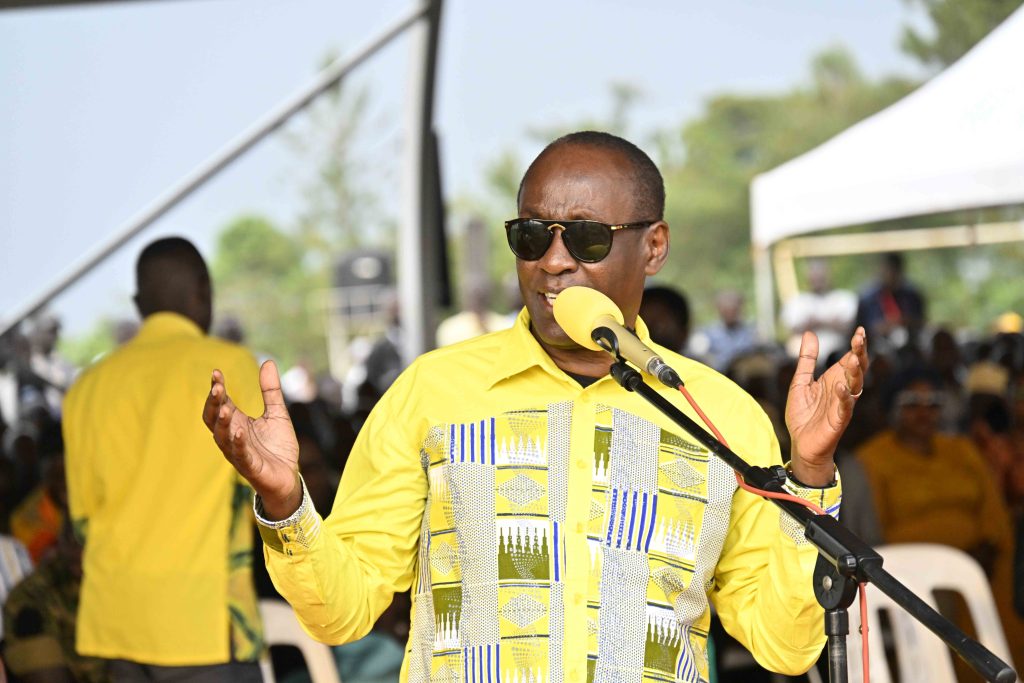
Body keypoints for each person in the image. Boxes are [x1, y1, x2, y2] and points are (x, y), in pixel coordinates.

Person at [204, 132, 867, 682]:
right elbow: (341, 612)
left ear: (654, 246)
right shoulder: (432, 392)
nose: (553, 262)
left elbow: (786, 644)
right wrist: (288, 504)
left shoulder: (720, 415)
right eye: (531, 235)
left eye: (586, 238)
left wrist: (809, 469)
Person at [63, 237, 265, 681]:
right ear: (203, 291)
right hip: (203, 624)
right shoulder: (230, 367)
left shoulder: (87, 386)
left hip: (117, 620)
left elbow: (81, 520)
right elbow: (268, 491)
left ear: (139, 303)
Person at [780, 258, 857, 364]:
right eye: (814, 274)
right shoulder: (796, 301)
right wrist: (830, 321)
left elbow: (850, 327)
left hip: (839, 357)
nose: (817, 278)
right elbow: (793, 329)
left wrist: (815, 322)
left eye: (821, 274)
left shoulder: (844, 298)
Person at [688, 290, 758, 372]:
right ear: (719, 309)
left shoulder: (751, 332)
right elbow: (699, 356)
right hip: (719, 375)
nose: (730, 312)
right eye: (726, 309)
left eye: (733, 308)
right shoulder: (707, 334)